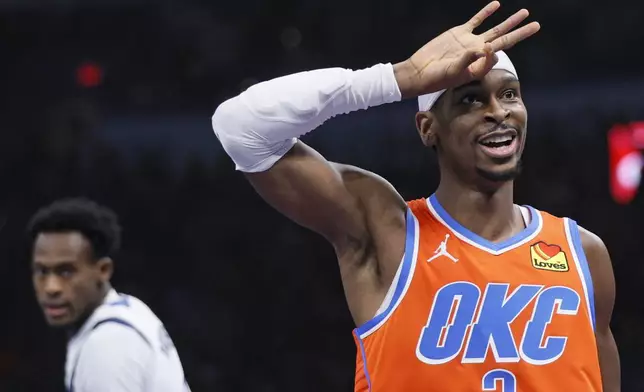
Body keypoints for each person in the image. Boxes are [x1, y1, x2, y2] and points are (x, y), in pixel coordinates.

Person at [212, 1, 620, 391]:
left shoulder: (584, 253)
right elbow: (240, 127)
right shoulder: (386, 233)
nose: (497, 111)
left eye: (510, 94)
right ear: (428, 128)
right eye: (470, 99)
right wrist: (399, 77)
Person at [29, 198, 190, 392]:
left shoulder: (107, 345)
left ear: (103, 270)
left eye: (66, 272)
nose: (51, 287)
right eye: (42, 271)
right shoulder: (128, 308)